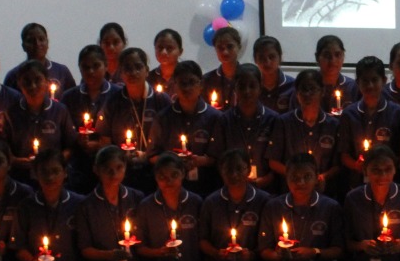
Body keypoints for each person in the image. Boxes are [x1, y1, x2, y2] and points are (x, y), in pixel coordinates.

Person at [146, 60, 225, 196]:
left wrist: (199, 161)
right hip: (170, 187)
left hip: (206, 187)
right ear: (174, 85)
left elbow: (220, 156)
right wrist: (173, 161)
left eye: (192, 82)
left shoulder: (216, 117)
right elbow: (152, 155)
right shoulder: (163, 117)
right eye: (182, 83)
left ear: (201, 85)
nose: (187, 88)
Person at [99, 47, 171, 194]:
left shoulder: (161, 100)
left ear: (147, 70)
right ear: (120, 72)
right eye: (127, 68)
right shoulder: (113, 101)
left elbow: (171, 139)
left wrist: (149, 156)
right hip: (122, 172)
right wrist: (120, 156)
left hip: (157, 172)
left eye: (138, 67)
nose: (133, 72)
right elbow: (105, 140)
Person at [337, 55, 400, 179]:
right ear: (357, 82)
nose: (370, 85)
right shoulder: (349, 114)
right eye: (365, 81)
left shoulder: (397, 113)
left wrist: (383, 167)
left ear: (384, 80)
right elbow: (344, 154)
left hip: (388, 181)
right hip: (357, 183)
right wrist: (357, 165)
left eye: (374, 80)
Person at [3, 59, 75, 182]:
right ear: (19, 83)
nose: (33, 86)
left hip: (54, 177)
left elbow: (70, 146)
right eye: (27, 81)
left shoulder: (60, 111)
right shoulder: (11, 113)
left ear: (47, 82)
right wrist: (17, 161)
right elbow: (5, 149)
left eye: (37, 80)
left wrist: (53, 162)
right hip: (21, 178)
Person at [59, 44, 118, 192]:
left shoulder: (117, 95)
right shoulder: (69, 97)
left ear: (106, 66)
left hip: (111, 163)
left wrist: (102, 143)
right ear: (80, 69)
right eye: (86, 67)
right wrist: (77, 139)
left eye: (96, 66)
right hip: (78, 165)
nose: (91, 71)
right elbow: (63, 133)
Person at [270, 69, 341, 191]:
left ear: (322, 91)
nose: (308, 94)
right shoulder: (283, 122)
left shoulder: (333, 125)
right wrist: (296, 175)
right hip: (289, 191)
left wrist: (320, 178)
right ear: (297, 93)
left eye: (312, 89)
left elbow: (337, 165)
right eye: (303, 89)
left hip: (323, 192)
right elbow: (273, 161)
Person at [217, 64, 280, 192]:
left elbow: (279, 159)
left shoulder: (273, 119)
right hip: (233, 188)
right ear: (235, 88)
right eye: (241, 86)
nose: (247, 91)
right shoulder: (225, 120)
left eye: (252, 86)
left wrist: (267, 179)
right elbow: (219, 158)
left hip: (268, 190)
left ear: (260, 87)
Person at [3, 22, 76, 93]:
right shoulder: (13, 75)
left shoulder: (62, 72)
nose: (37, 44)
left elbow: (72, 97)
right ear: (23, 46)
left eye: (41, 39)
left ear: (47, 43)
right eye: (31, 41)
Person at [314, 33, 359, 114]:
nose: (332, 61)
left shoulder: (353, 87)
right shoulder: (308, 87)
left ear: (343, 56)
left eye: (337, 55)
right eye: (327, 55)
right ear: (317, 57)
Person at [201, 26, 244, 110]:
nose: (225, 52)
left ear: (239, 47)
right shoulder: (207, 80)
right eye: (220, 48)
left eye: (230, 46)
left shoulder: (248, 77)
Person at [253, 35, 298, 115]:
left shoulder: (293, 85)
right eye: (261, 57)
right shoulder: (251, 87)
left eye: (272, 57)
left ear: (280, 58)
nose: (267, 62)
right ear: (255, 59)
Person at [150, 28, 184, 94]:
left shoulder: (187, 77)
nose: (164, 52)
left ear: (180, 51)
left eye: (169, 48)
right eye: (160, 48)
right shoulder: (149, 78)